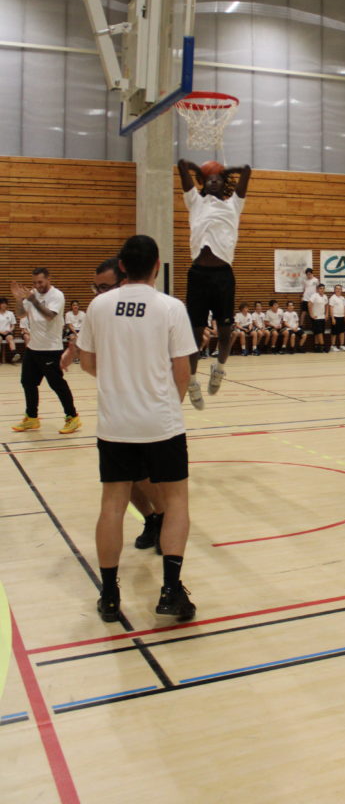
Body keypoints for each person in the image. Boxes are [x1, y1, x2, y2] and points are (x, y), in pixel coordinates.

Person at [77, 235, 198, 623]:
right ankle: (171, 591)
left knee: (112, 505)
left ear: (122, 267)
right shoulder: (171, 307)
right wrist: (167, 405)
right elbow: (182, 371)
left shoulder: (98, 305)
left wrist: (118, 380)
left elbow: (87, 362)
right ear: (157, 266)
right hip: (162, 422)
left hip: (115, 424)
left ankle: (110, 596)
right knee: (176, 502)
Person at [178, 158, 252, 408]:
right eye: (208, 179)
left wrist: (227, 171)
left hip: (223, 275)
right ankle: (191, 381)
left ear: (223, 183)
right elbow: (181, 166)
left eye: (217, 179)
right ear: (203, 182)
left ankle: (219, 368)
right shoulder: (195, 202)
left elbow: (247, 172)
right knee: (195, 334)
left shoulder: (234, 204)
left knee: (225, 332)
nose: (212, 181)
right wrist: (197, 170)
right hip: (198, 275)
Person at [10, 267, 80, 434]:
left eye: (40, 282)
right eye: (34, 282)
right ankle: (31, 418)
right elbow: (20, 314)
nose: (37, 285)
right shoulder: (33, 294)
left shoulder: (57, 295)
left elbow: (49, 316)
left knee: (57, 385)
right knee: (27, 383)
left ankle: (72, 417)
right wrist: (19, 299)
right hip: (33, 348)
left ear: (49, 279)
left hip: (50, 349)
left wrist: (32, 300)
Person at [309, 283, 329, 352]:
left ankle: (317, 347)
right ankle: (323, 346)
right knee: (319, 332)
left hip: (322, 317)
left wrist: (326, 314)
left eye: (323, 288)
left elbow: (326, 305)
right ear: (317, 289)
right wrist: (311, 314)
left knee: (318, 332)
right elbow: (309, 304)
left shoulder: (325, 296)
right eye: (320, 288)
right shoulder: (314, 295)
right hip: (316, 317)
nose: (322, 290)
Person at [0, 297, 20, 363]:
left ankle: (14, 354)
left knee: (10, 338)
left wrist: (9, 330)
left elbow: (13, 325)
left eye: (5, 303)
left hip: (8, 332)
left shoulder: (10, 313)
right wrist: (1, 332)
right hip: (0, 332)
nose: (4, 305)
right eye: (2, 303)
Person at [329, 284, 345, 351]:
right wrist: (332, 318)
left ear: (341, 290)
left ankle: (341, 345)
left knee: (342, 332)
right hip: (335, 317)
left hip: (342, 317)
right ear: (334, 290)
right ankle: (332, 346)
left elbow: (344, 308)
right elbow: (331, 308)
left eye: (339, 289)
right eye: (337, 289)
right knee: (334, 332)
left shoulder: (343, 298)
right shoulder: (332, 298)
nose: (338, 290)